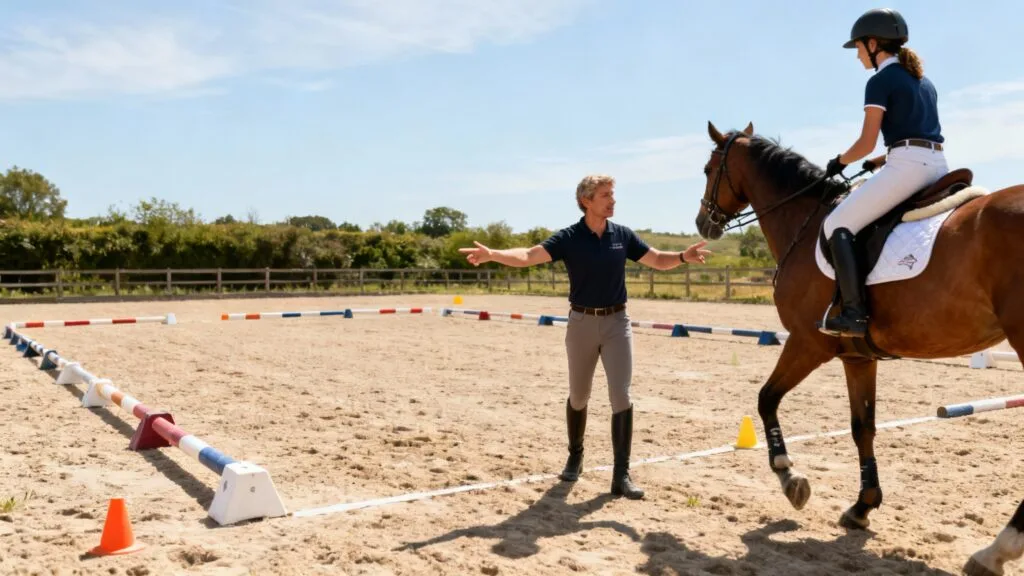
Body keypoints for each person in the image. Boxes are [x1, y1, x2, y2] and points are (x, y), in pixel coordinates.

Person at [459, 174, 711, 500]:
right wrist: (493, 253)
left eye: (613, 194)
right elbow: (528, 256)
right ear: (586, 200)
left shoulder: (622, 235)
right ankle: (575, 456)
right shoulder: (569, 237)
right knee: (579, 396)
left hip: (617, 323)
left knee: (621, 395)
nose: (613, 200)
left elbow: (657, 259)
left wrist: (682, 256)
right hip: (581, 324)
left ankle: (621, 475)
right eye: (606, 195)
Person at [819, 8, 948, 338]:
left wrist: (840, 162)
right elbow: (916, 134)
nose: (858, 55)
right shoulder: (925, 82)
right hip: (936, 165)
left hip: (908, 168)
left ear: (873, 44)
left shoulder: (879, 81)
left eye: (859, 48)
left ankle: (854, 313)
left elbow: (865, 142)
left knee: (836, 224)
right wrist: (879, 161)